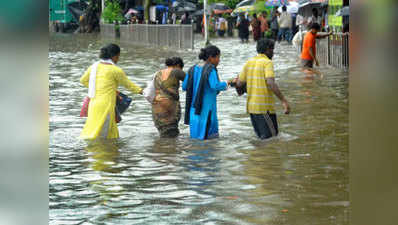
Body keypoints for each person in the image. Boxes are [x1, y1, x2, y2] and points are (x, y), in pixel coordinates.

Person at [80, 44, 143, 140]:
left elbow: (83, 80)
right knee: (103, 137)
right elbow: (128, 85)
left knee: (94, 130)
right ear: (115, 56)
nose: (118, 59)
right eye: (118, 56)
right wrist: (142, 91)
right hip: (106, 106)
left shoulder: (93, 67)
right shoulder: (116, 70)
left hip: (93, 104)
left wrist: (96, 87)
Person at [234, 38, 290, 140]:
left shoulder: (249, 62)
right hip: (264, 108)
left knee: (261, 139)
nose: (273, 53)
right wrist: (284, 101)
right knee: (272, 139)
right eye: (272, 50)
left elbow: (239, 83)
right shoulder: (267, 63)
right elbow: (270, 83)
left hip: (251, 108)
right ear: (268, 49)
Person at [182, 45, 230, 140]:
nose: (219, 60)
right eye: (218, 57)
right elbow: (215, 85)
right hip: (207, 112)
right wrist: (227, 83)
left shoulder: (192, 69)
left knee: (196, 140)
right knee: (209, 141)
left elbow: (184, 86)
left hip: (194, 112)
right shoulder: (210, 69)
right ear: (211, 58)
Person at [151, 57, 186, 138]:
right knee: (172, 136)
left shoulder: (157, 74)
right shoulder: (176, 71)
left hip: (156, 109)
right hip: (169, 109)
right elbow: (191, 81)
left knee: (163, 135)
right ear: (177, 65)